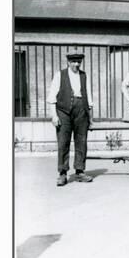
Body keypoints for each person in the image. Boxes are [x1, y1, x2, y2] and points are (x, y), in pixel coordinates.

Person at [47, 46, 94, 186]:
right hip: (63, 111)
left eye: (78, 61)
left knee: (81, 141)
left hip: (81, 111)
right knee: (63, 142)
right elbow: (52, 97)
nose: (76, 64)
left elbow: (89, 97)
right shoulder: (59, 75)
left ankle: (80, 171)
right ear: (68, 62)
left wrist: (90, 118)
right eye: (73, 61)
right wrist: (54, 116)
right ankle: (62, 173)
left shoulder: (84, 75)